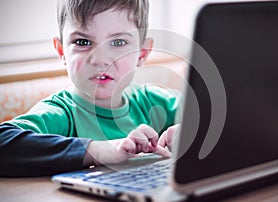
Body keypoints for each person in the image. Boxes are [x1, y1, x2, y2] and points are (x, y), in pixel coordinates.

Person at [0, 0, 181, 177]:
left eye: (118, 42)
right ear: (62, 51)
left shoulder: (156, 101)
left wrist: (192, 133)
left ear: (142, 53)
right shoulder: (62, 114)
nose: (100, 59)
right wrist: (101, 151)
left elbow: (207, 115)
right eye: (83, 42)